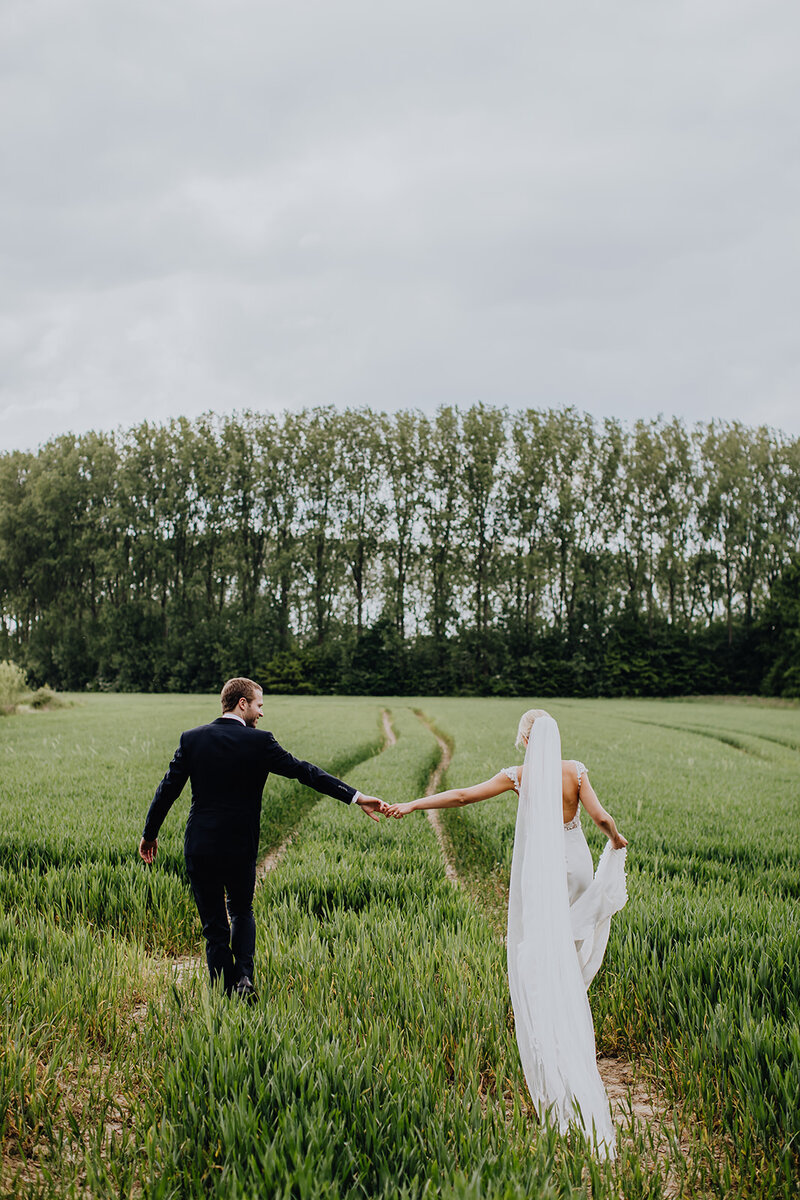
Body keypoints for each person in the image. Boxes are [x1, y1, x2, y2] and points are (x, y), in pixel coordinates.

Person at [386, 708, 627, 1157]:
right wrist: (616, 839)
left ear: (526, 736)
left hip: (544, 870)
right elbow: (601, 819)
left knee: (542, 946)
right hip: (575, 866)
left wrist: (415, 804)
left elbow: (460, 796)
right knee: (570, 942)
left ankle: (555, 1012)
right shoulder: (575, 771)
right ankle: (570, 997)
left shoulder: (519, 775)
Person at [139, 677, 386, 1001]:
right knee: (241, 910)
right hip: (240, 845)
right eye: (259, 705)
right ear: (242, 703)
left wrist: (149, 834)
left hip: (200, 846)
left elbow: (167, 791)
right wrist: (355, 796)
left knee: (214, 926)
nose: (261, 713)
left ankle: (221, 993)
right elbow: (305, 772)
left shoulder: (192, 739)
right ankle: (243, 978)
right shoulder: (259, 743)